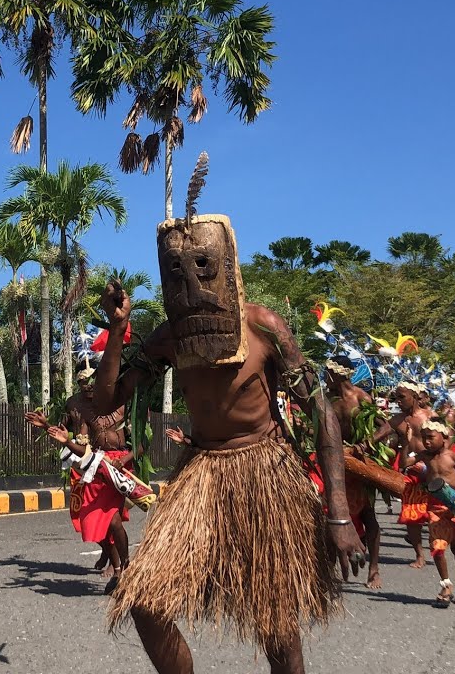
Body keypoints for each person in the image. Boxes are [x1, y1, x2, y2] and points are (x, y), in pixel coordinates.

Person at [90, 202, 363, 674]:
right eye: (176, 270)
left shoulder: (263, 327)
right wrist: (117, 330)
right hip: (201, 476)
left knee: (275, 626)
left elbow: (321, 413)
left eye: (202, 266)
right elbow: (106, 399)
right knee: (144, 600)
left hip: (265, 475)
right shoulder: (170, 337)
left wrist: (339, 512)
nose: (191, 284)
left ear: (226, 263)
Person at [25, 371, 142, 592]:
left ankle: (121, 569)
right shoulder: (83, 410)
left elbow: (142, 440)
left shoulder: (123, 404)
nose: (88, 386)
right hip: (93, 467)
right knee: (90, 519)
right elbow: (77, 444)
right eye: (84, 382)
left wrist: (124, 460)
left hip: (118, 468)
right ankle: (117, 563)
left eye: (93, 382)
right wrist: (47, 426)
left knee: (114, 520)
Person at [324, 361, 383, 589]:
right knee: (332, 513)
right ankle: (329, 571)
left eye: (328, 373)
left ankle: (374, 569)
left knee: (368, 515)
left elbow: (385, 427)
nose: (325, 377)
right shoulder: (329, 400)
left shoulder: (362, 398)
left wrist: (367, 444)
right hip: (338, 461)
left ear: (339, 373)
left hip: (361, 462)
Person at [410, 420, 455, 606]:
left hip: (454, 506)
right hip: (435, 508)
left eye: (431, 438)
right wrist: (405, 439)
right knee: (437, 547)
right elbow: (403, 463)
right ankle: (446, 585)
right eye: (424, 438)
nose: (426, 442)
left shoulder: (453, 456)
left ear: (444, 438)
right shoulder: (424, 456)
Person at [372, 381, 435, 567]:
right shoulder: (397, 420)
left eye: (402, 397)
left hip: (431, 470)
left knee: (434, 513)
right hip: (410, 471)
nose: (398, 401)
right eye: (396, 398)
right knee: (411, 516)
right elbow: (379, 434)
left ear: (415, 397)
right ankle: (419, 555)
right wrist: (361, 446)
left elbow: (445, 440)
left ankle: (437, 550)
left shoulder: (430, 416)